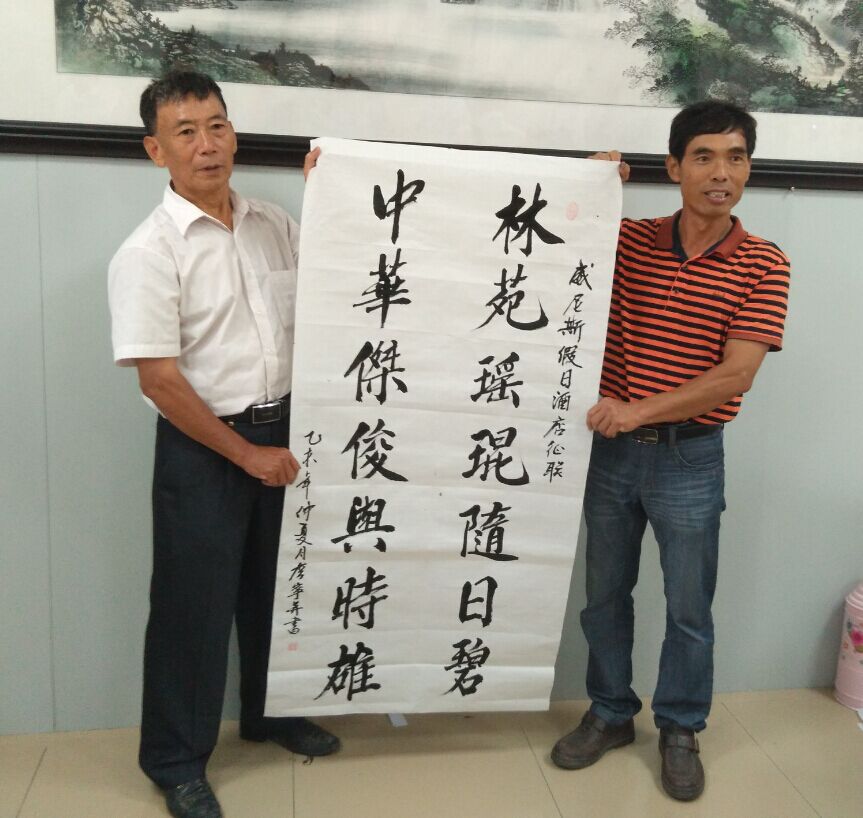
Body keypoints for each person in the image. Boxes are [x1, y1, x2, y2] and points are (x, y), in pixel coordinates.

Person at [108, 70, 336, 818]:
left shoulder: (274, 223)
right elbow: (160, 381)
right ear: (156, 151)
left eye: (217, 125)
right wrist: (245, 455)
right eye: (185, 132)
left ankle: (271, 715)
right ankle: (175, 761)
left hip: (285, 434)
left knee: (279, 589)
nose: (206, 145)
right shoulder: (148, 252)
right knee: (192, 608)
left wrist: (336, 196)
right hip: (205, 447)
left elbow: (338, 287)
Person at [551, 101, 790, 801]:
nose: (721, 173)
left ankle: (680, 728)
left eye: (736, 158)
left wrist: (637, 409)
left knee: (689, 607)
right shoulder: (626, 242)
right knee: (604, 596)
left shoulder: (764, 263)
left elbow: (735, 374)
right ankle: (609, 712)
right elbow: (539, 240)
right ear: (674, 167)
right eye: (704, 157)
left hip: (691, 457)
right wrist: (587, 182)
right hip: (612, 456)